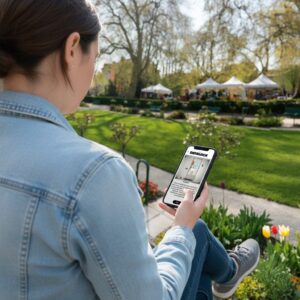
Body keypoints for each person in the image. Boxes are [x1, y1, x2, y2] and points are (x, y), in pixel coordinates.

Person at [0, 1, 260, 299]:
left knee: (191, 237)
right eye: (95, 58)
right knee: (193, 232)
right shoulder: (92, 173)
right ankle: (228, 272)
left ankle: (227, 272)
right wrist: (181, 230)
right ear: (72, 48)